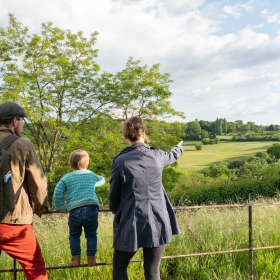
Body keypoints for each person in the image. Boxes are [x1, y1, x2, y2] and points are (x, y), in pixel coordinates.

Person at [109, 116, 184, 280]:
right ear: (143, 133)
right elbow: (172, 155)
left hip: (130, 222)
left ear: (125, 136)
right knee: (152, 271)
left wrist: (118, 212)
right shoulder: (158, 156)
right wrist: (179, 147)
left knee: (120, 267)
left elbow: (113, 198)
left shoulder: (120, 161)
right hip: (158, 221)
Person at [0, 102, 49, 280]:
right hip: (14, 222)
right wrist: (41, 207)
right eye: (22, 121)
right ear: (15, 121)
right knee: (35, 267)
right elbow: (38, 183)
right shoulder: (23, 144)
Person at [53, 149, 105, 267]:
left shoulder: (66, 178)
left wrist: (62, 208)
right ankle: (91, 259)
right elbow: (102, 179)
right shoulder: (91, 174)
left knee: (74, 235)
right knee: (91, 234)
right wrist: (94, 184)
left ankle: (76, 259)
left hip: (75, 211)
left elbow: (57, 193)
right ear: (86, 165)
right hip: (92, 209)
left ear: (70, 165)